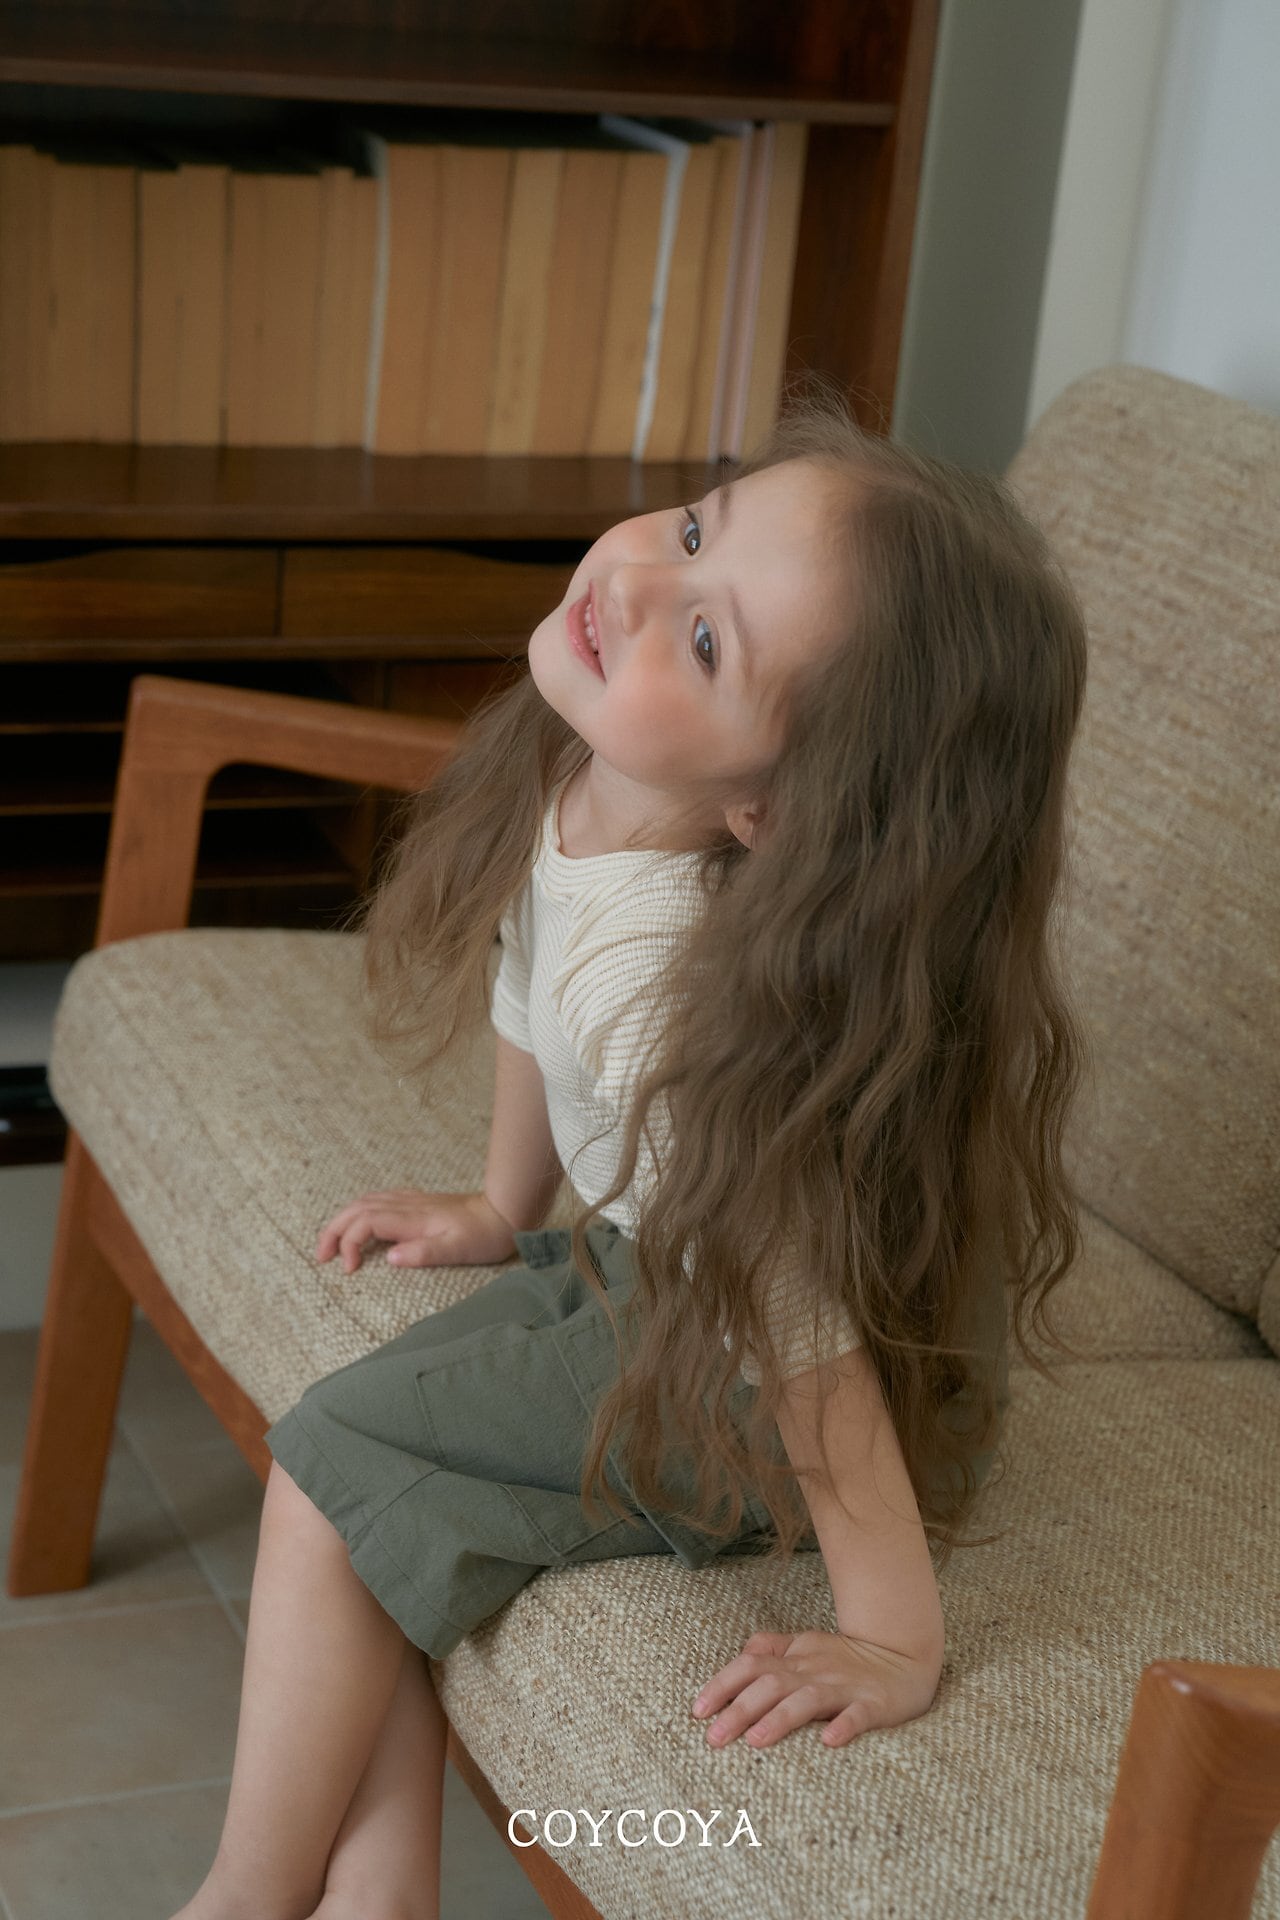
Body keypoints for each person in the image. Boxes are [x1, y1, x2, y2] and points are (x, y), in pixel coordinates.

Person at [170, 372, 1091, 1920]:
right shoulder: (599, 778)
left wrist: (894, 1631)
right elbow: (528, 984)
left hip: (748, 1360)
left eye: (711, 641)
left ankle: (243, 1899)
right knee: (374, 1483)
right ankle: (375, 1896)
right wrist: (499, 1201)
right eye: (696, 527)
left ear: (777, 810)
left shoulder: (658, 975)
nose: (641, 582)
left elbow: (794, 1318)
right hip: (686, 1260)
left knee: (328, 1468)